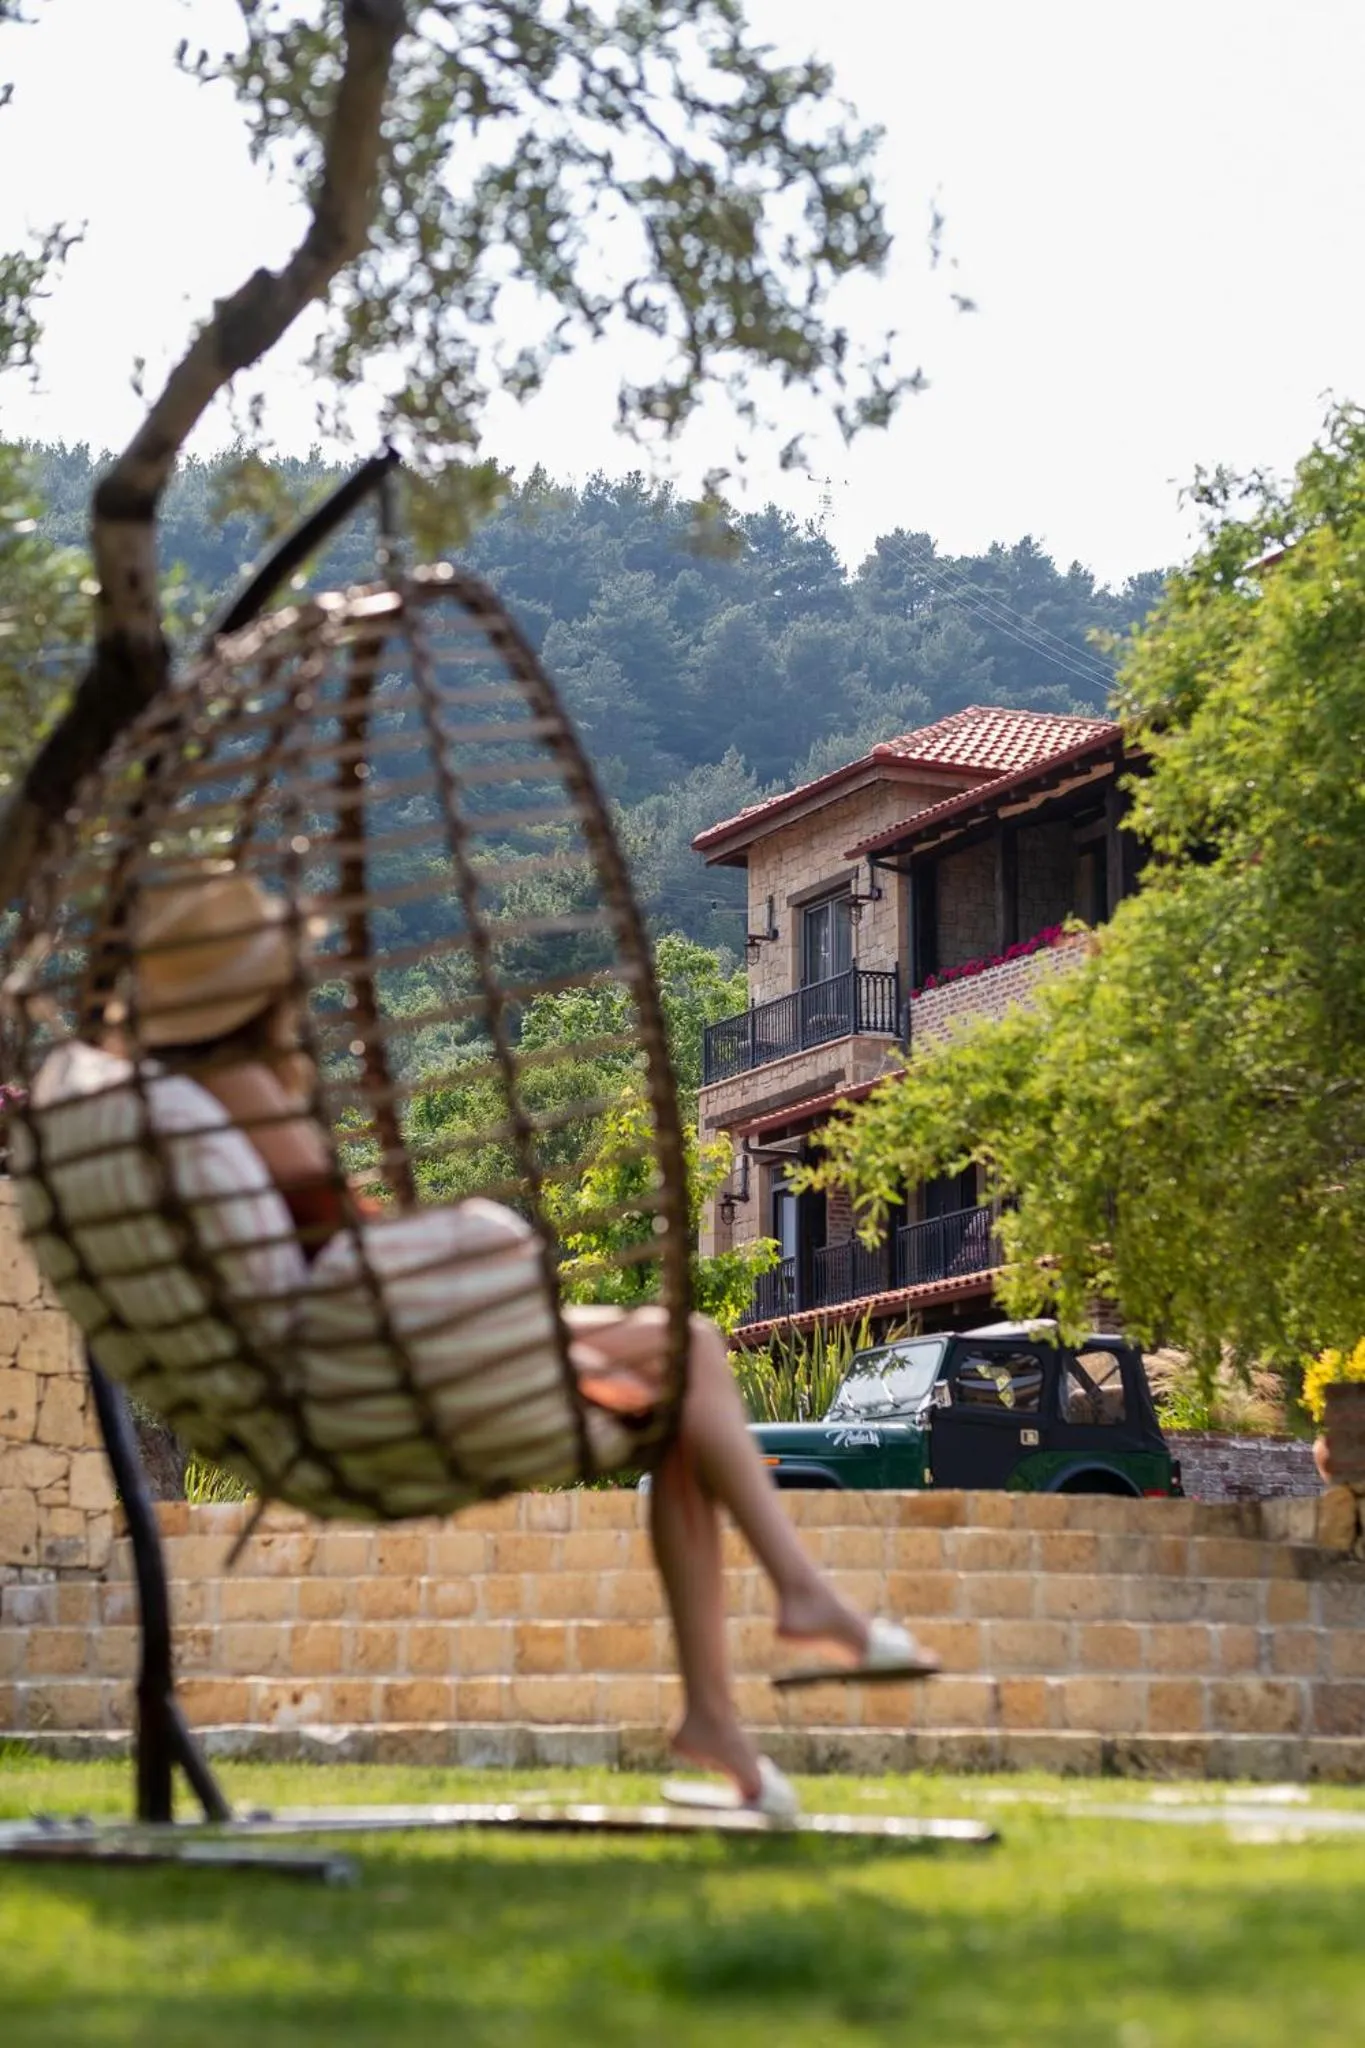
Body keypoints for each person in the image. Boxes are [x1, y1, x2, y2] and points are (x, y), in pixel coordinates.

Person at [130, 870, 938, 1820]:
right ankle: (794, 1614)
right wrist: (468, 1246)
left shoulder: (204, 1098)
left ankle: (728, 1703)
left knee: (691, 1358)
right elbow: (329, 1258)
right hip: (383, 1362)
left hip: (378, 1342)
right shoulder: (229, 1093)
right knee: (687, 1358)